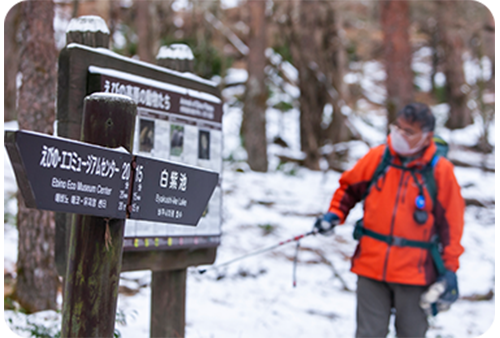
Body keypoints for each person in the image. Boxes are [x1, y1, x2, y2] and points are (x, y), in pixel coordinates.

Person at [314, 102, 465, 338]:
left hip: (415, 272)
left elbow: (452, 226)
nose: (399, 135)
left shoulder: (440, 171)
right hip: (371, 266)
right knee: (368, 334)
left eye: (408, 131)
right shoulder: (378, 157)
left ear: (426, 137)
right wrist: (334, 215)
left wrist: (450, 269)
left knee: (412, 333)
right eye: (397, 127)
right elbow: (348, 189)